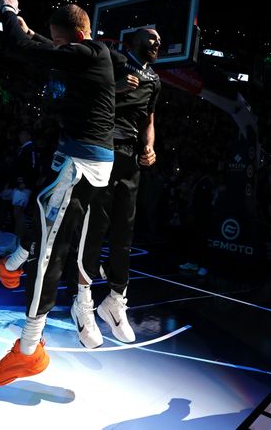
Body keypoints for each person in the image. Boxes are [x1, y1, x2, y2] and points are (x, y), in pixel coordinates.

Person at [0, 0, 115, 386]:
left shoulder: (87, 55)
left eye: (59, 42)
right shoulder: (87, 53)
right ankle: (12, 264)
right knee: (41, 208)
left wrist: (9, 12)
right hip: (80, 157)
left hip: (82, 163)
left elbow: (23, 46)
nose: (56, 49)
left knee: (52, 252)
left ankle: (28, 350)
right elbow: (37, 41)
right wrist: (28, 26)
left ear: (74, 37)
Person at [71, 27, 161, 347]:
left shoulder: (155, 80)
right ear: (134, 39)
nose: (158, 44)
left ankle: (115, 299)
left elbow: (149, 119)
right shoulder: (115, 59)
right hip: (104, 149)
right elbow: (87, 92)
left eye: (160, 42)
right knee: (95, 227)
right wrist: (117, 88)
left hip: (131, 159)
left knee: (124, 233)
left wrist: (150, 146)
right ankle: (82, 301)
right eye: (152, 39)